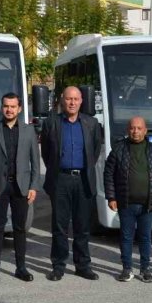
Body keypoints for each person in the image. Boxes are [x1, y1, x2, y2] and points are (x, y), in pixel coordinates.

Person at [40, 86, 104, 281]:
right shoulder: (51, 123)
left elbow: (94, 151)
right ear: (62, 100)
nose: (72, 103)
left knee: (82, 226)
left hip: (83, 179)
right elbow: (46, 152)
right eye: (69, 99)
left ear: (81, 101)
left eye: (76, 99)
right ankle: (58, 265)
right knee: (59, 226)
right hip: (61, 179)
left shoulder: (91, 124)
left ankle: (83, 265)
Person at [0, 93, 40, 282]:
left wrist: (33, 186)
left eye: (13, 106)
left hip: (21, 186)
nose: (9, 109)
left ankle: (20, 267)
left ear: (19, 109)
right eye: (6, 106)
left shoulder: (29, 131)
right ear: (2, 107)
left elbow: (35, 163)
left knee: (19, 229)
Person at [104, 116, 152, 283]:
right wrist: (111, 197)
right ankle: (127, 269)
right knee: (126, 237)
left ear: (145, 130)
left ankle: (145, 269)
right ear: (128, 130)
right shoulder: (118, 150)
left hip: (148, 203)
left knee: (145, 237)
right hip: (125, 202)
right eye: (133, 128)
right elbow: (109, 175)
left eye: (139, 128)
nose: (135, 131)